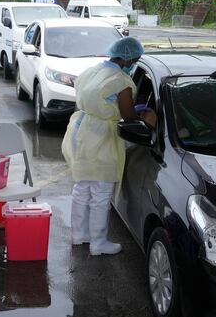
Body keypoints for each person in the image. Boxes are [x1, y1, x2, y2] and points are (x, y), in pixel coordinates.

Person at [61, 37, 156, 256]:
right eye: (136, 59)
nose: (135, 62)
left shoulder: (92, 71)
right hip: (102, 136)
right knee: (101, 192)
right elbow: (127, 115)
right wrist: (141, 112)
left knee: (82, 188)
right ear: (128, 57)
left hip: (81, 129)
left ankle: (79, 235)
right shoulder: (120, 80)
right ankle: (98, 243)